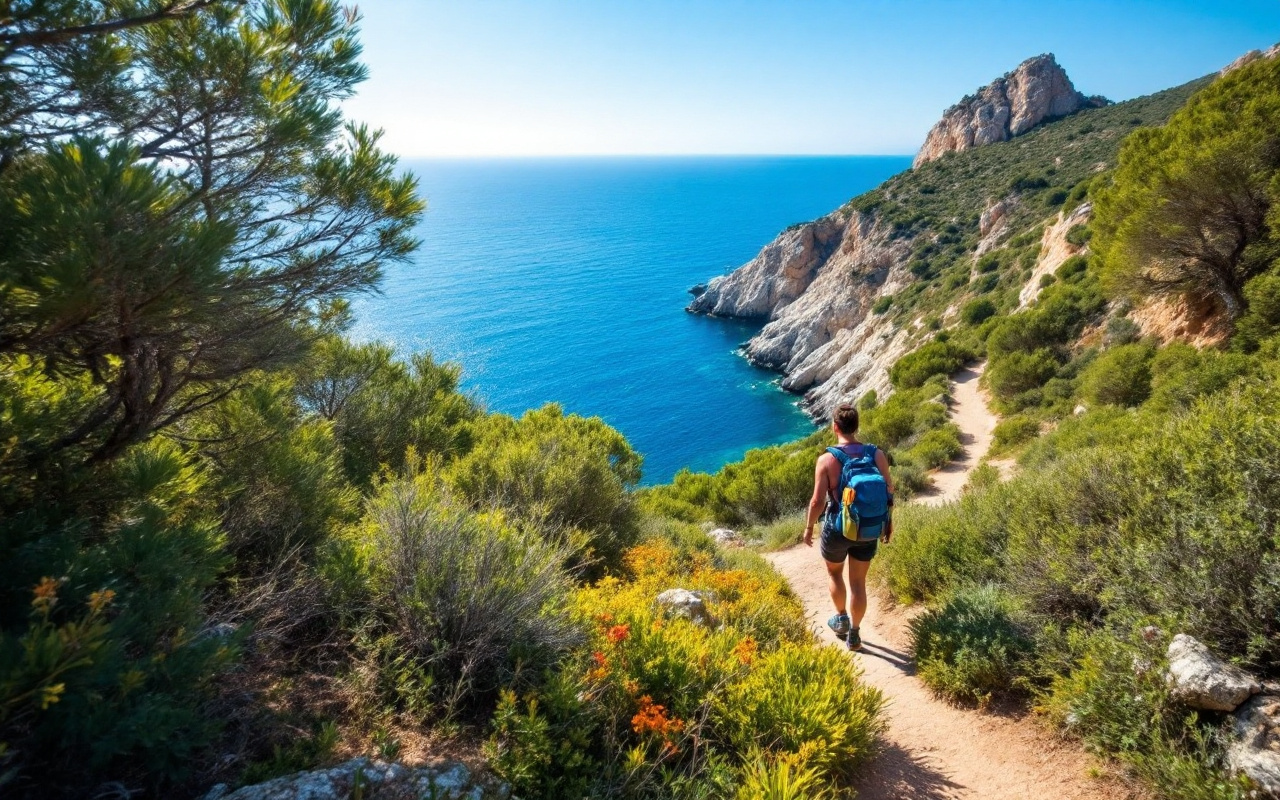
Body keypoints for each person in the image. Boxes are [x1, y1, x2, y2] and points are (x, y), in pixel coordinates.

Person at [802, 402, 894, 651]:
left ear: (835, 427)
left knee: (834, 573)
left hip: (838, 528)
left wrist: (809, 527)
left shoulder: (826, 459)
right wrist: (888, 522)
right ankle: (854, 634)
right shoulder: (876, 454)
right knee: (858, 583)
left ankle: (841, 617)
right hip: (869, 527)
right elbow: (889, 491)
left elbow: (817, 501)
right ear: (856, 426)